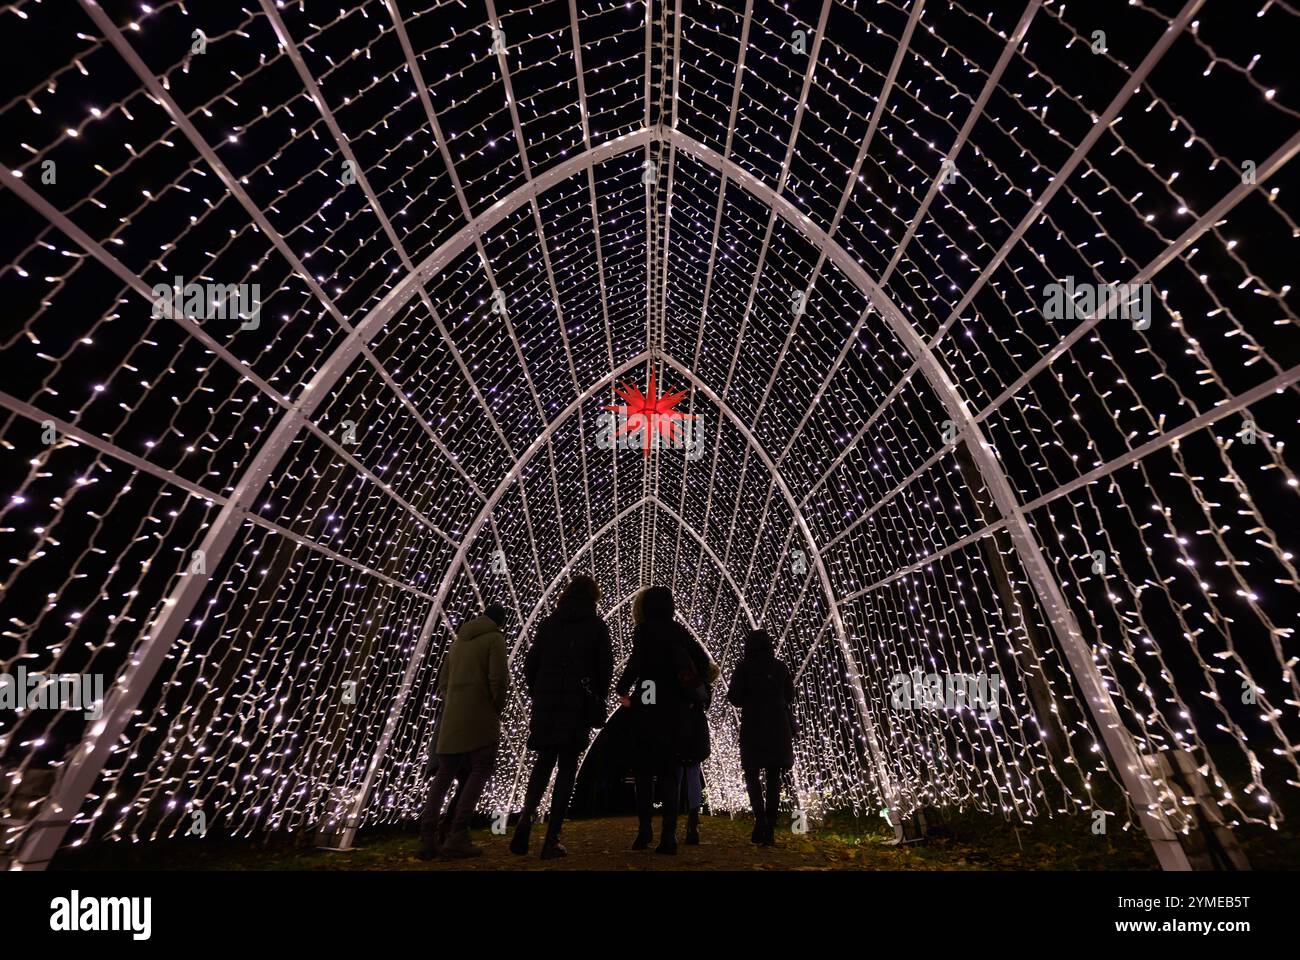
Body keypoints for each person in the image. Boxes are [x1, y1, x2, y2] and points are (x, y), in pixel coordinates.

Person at [510, 574, 613, 859]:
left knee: (542, 763)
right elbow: (605, 668)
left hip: (546, 705)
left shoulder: (549, 624)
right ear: (593, 598)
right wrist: (595, 697)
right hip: (576, 707)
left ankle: (525, 821)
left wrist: (540, 691)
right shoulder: (596, 627)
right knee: (567, 769)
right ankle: (551, 838)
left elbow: (531, 663)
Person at [616, 586, 710, 855]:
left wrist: (622, 688)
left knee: (644, 773)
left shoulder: (643, 632)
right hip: (675, 712)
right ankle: (668, 837)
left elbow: (636, 665)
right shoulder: (678, 632)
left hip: (647, 708)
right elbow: (703, 662)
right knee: (670, 773)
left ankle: (644, 832)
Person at [417, 603, 510, 859]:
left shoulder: (459, 642)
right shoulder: (495, 640)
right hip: (481, 717)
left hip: (451, 719)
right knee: (481, 769)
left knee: (444, 774)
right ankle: (457, 834)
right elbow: (498, 680)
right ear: (500, 622)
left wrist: (454, 702)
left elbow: (442, 681)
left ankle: (427, 837)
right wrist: (494, 707)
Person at [726, 629, 795, 847]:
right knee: (774, 777)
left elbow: (734, 698)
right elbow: (790, 697)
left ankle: (760, 820)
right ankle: (770, 827)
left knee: (752, 775)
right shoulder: (781, 667)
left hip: (753, 728)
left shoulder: (744, 667)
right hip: (778, 729)